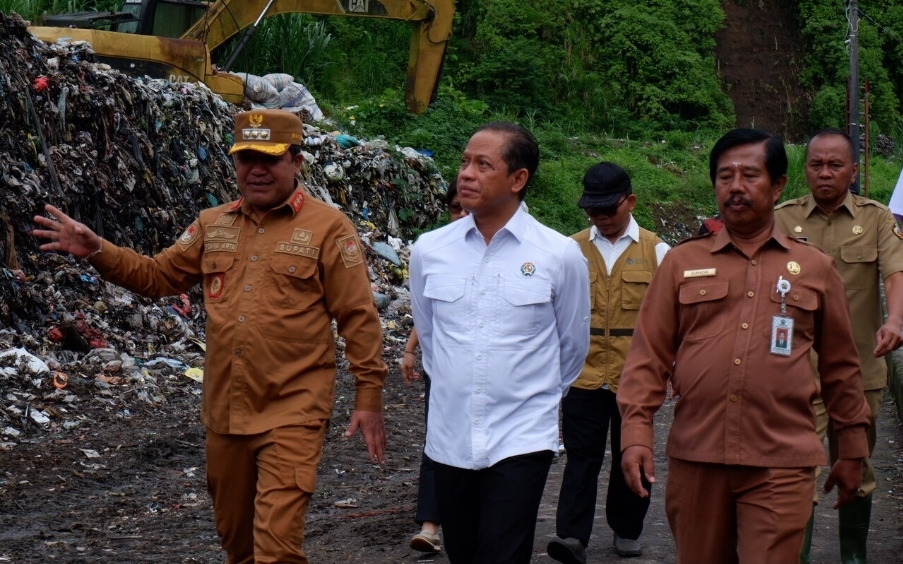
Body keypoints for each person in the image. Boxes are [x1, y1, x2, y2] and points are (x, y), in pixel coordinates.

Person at [32, 109, 388, 564]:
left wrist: (368, 397)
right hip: (225, 414)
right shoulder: (212, 224)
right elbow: (157, 276)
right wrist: (97, 249)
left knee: (276, 549)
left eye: (270, 158)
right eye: (246, 158)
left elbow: (357, 317)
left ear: (297, 162)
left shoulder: (329, 228)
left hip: (294, 410)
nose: (256, 170)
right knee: (238, 547)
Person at [617, 128, 871, 563]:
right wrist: (635, 433)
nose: (735, 186)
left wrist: (852, 449)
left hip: (781, 461)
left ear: (777, 185)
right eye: (725, 176)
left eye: (750, 175)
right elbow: (648, 356)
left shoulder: (814, 267)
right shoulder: (682, 262)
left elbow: (841, 367)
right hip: (698, 457)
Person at [409, 122, 590, 564]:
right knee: (464, 552)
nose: (466, 174)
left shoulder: (558, 254)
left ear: (518, 178)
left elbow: (571, 346)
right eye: (465, 162)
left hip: (521, 437)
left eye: (483, 165)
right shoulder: (430, 250)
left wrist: (532, 396)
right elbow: (430, 338)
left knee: (504, 552)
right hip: (450, 437)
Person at [775, 127, 903, 564]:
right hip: (795, 372)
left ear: (854, 171)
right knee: (797, 471)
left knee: (857, 466)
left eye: (835, 165)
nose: (825, 173)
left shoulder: (877, 219)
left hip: (860, 370)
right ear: (805, 169)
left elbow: (895, 274)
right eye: (816, 165)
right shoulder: (781, 219)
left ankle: (853, 556)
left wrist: (896, 319)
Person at [547, 162, 669, 564]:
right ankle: (572, 536)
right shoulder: (569, 250)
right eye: (592, 209)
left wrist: (672, 367)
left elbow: (672, 317)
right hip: (582, 375)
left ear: (630, 202)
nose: (599, 216)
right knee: (581, 458)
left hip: (635, 377)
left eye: (607, 208)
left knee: (630, 453)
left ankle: (628, 529)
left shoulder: (657, 251)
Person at [402, 178, 469, 553]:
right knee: (437, 438)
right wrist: (412, 350)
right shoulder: (434, 250)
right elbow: (426, 312)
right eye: (455, 208)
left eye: (467, 208)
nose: (461, 215)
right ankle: (430, 524)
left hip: (492, 371)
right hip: (443, 368)